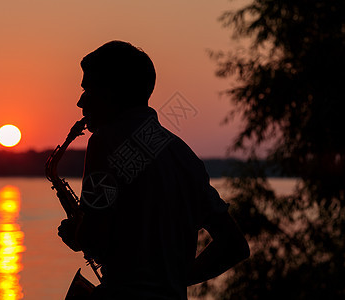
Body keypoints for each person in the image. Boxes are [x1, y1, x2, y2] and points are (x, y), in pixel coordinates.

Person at [58, 40, 250, 300]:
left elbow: (94, 239)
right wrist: (175, 278)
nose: (81, 102)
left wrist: (75, 234)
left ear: (112, 92)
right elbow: (234, 246)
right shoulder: (182, 155)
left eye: (88, 89)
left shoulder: (104, 141)